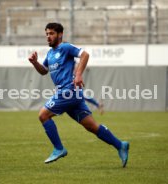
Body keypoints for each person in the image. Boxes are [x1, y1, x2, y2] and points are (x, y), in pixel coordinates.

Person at [28, 22, 129, 167]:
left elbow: (85, 54)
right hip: (71, 95)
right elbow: (44, 70)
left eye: (51, 34)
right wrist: (34, 63)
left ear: (60, 34)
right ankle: (121, 145)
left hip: (68, 90)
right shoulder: (50, 54)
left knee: (43, 115)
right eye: (46, 34)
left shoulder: (65, 47)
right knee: (92, 127)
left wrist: (78, 74)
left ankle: (58, 148)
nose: (48, 37)